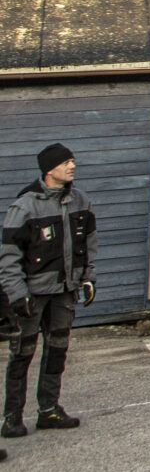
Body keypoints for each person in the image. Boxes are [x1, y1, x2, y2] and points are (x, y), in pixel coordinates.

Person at [2, 143, 95, 436]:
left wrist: (88, 278)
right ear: (49, 169)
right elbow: (8, 256)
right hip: (32, 295)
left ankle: (49, 411)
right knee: (22, 354)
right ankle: (12, 417)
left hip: (64, 292)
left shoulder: (81, 201)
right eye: (66, 162)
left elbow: (88, 245)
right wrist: (17, 295)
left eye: (73, 160)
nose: (72, 166)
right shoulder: (25, 207)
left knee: (57, 350)